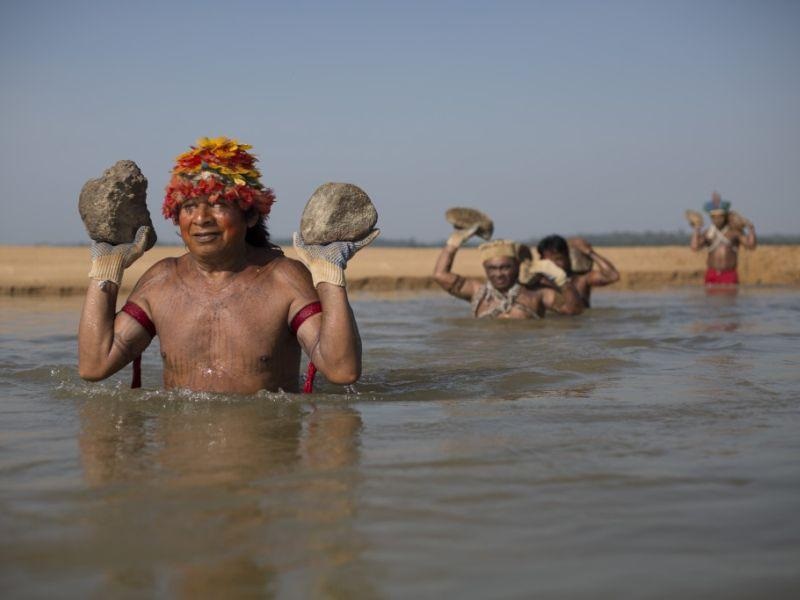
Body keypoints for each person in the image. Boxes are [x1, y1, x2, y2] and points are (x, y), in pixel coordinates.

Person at [78, 136, 378, 394]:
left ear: (250, 216)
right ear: (176, 216)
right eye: (189, 206)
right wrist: (105, 269)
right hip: (180, 460)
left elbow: (342, 371)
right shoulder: (161, 281)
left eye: (219, 204)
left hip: (264, 457)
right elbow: (94, 365)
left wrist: (330, 276)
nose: (201, 218)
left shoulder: (284, 280)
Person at [433, 225, 584, 318]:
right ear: (485, 268)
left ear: (518, 266)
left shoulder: (537, 294)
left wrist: (561, 279)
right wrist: (453, 243)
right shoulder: (476, 291)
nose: (499, 274)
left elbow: (574, 310)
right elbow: (440, 275)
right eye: (492, 268)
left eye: (505, 267)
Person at [689, 191, 756, 286]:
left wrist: (751, 229)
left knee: (730, 299)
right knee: (710, 300)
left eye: (719, 216)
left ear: (725, 217)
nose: (717, 219)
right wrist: (697, 229)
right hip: (712, 274)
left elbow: (751, 246)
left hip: (729, 274)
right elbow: (694, 247)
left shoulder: (734, 232)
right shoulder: (708, 233)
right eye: (714, 217)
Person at [534, 235, 619, 308]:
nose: (554, 265)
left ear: (568, 258)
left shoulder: (581, 279)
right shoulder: (540, 282)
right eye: (549, 262)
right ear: (542, 261)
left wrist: (589, 252)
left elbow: (613, 276)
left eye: (558, 259)